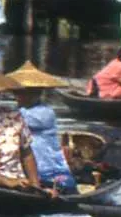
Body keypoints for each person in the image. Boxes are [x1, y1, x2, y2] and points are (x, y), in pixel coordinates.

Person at [7, 63, 78, 193]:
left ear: (37, 93)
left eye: (25, 93)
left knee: (64, 187)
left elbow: (17, 119)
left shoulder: (44, 113)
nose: (20, 96)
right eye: (17, 92)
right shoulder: (16, 112)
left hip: (49, 169)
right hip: (25, 169)